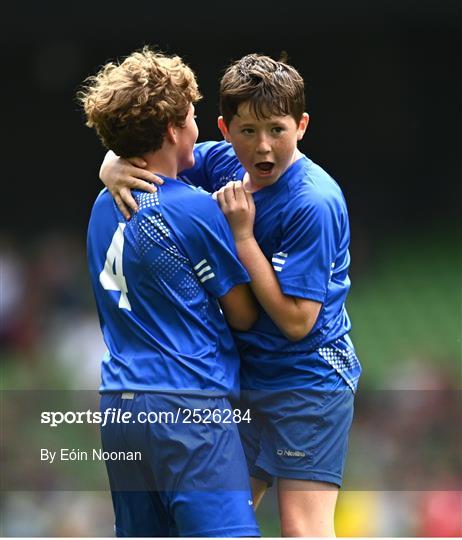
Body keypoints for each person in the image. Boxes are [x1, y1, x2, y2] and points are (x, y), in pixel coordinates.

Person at [101, 53, 361, 537]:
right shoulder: (222, 164)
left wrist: (242, 239)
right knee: (213, 522)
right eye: (247, 132)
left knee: (302, 530)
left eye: (277, 130)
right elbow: (145, 148)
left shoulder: (314, 202)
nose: (263, 147)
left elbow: (297, 322)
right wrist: (110, 169)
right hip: (244, 381)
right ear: (224, 128)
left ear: (301, 126)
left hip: (307, 379)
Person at [78, 47, 261, 537]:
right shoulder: (193, 210)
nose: (196, 122)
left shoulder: (101, 204)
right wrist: (241, 235)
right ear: (173, 130)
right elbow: (242, 315)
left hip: (119, 404)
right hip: (187, 407)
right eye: (192, 115)